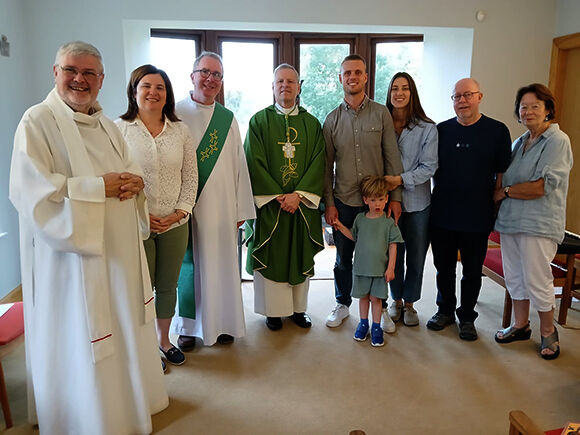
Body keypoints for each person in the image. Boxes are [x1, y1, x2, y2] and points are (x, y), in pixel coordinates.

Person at [9, 41, 168, 434]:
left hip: (119, 253)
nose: (80, 79)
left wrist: (134, 183)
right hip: (70, 259)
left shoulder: (107, 126)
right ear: (55, 72)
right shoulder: (37, 122)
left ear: (101, 80)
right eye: (71, 70)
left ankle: (129, 402)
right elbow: (33, 193)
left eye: (89, 73)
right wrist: (100, 187)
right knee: (80, 332)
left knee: (124, 321)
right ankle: (87, 415)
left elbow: (127, 171)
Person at [171, 51, 255, 349]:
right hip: (187, 207)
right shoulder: (175, 114)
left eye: (217, 74)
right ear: (192, 76)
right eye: (205, 72)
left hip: (222, 209)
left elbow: (239, 165)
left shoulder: (227, 119)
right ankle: (189, 328)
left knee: (221, 267)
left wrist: (241, 207)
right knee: (189, 267)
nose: (210, 79)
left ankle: (224, 323)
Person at [116, 64, 198, 369]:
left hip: (175, 223)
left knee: (168, 285)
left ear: (167, 95)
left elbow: (190, 175)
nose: (153, 92)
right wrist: (141, 214)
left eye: (159, 88)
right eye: (146, 86)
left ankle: (164, 341)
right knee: (141, 286)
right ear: (134, 92)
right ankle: (144, 346)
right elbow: (116, 180)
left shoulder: (180, 130)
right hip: (137, 223)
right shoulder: (119, 130)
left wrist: (180, 212)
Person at [323, 54, 404, 331]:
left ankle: (379, 311)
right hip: (344, 201)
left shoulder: (381, 113)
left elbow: (392, 159)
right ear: (340, 78)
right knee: (343, 259)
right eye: (347, 73)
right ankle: (343, 303)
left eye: (358, 72)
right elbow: (326, 168)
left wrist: (396, 199)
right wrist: (329, 204)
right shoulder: (331, 120)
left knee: (378, 258)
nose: (352, 77)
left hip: (377, 205)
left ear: (366, 76)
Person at [427, 78, 511, 340]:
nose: (462, 101)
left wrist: (496, 207)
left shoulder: (497, 131)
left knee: (472, 271)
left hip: (477, 214)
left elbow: (501, 174)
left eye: (467, 95)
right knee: (444, 268)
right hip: (442, 213)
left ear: (479, 96)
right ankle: (445, 310)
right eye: (456, 97)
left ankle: (467, 317)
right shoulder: (441, 131)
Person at [493, 83, 572, 360]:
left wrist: (505, 192)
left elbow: (542, 186)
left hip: (538, 224)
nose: (527, 111)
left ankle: (548, 331)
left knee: (538, 279)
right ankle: (520, 324)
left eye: (534, 106)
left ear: (548, 109)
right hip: (511, 222)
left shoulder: (557, 141)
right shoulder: (519, 142)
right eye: (523, 107)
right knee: (515, 276)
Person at [244, 63, 325, 331]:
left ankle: (298, 310)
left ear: (299, 87)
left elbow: (318, 162)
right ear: (272, 86)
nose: (285, 86)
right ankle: (273, 312)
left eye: (291, 81)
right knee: (273, 254)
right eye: (280, 81)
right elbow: (252, 162)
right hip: (272, 206)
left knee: (298, 252)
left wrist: (299, 196)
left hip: (300, 206)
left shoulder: (312, 124)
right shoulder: (258, 121)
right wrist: (279, 196)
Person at [383, 72, 438, 327]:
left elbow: (429, 167)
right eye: (395, 88)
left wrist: (399, 180)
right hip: (385, 202)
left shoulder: (427, 128)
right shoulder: (381, 123)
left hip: (417, 204)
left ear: (412, 93)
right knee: (392, 253)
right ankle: (395, 300)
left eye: (405, 88)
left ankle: (410, 303)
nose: (399, 93)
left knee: (415, 255)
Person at [333, 176, 403, 347]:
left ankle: (376, 327)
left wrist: (391, 268)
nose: (377, 204)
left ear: (387, 198)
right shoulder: (360, 219)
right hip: (361, 269)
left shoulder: (389, 222)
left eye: (381, 199)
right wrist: (340, 226)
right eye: (373, 200)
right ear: (365, 200)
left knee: (376, 299)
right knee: (363, 298)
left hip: (379, 270)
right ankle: (363, 324)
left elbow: (393, 246)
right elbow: (353, 236)